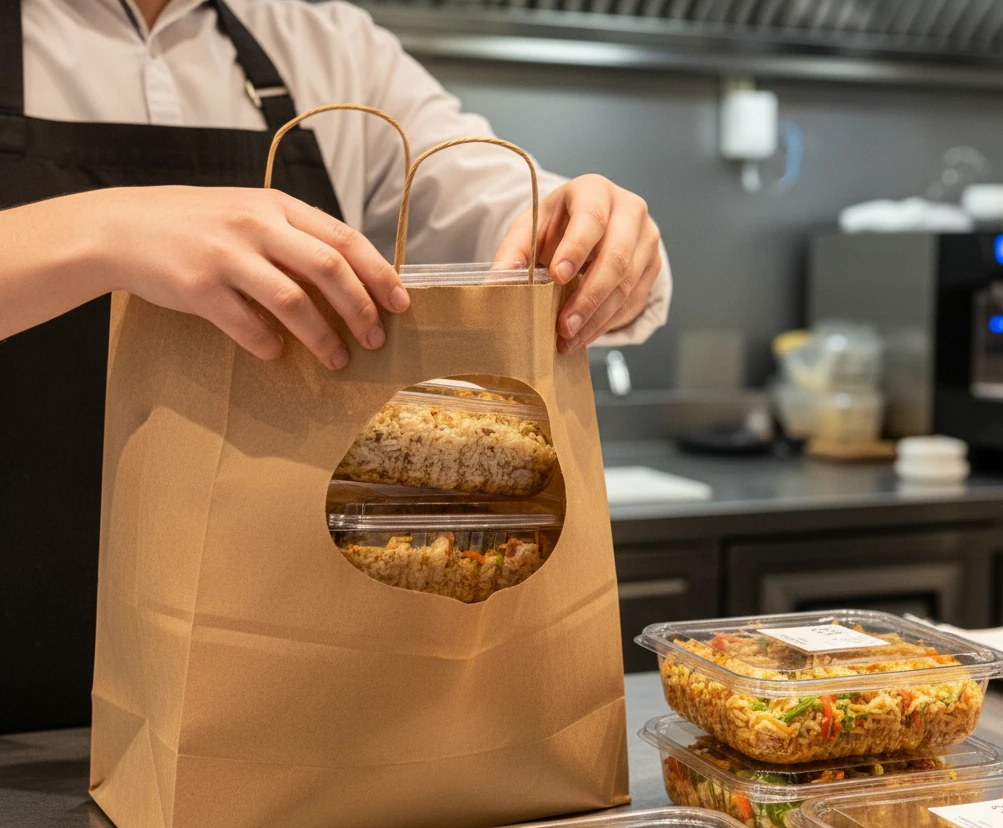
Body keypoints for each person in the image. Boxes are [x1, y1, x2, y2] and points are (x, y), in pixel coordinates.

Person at [0, 0, 672, 732]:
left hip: (282, 692)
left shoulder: (324, 45)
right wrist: (103, 229)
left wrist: (603, 245)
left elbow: (503, 205)